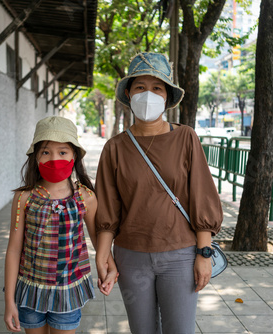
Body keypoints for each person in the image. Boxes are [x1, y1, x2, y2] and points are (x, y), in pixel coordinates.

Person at [95, 52, 223, 334]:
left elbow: (201, 195)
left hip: (180, 255)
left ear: (167, 96)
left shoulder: (186, 137)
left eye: (157, 88)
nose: (148, 94)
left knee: (180, 330)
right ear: (128, 94)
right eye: (140, 87)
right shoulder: (114, 148)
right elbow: (107, 210)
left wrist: (204, 253)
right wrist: (103, 256)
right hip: (131, 256)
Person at [4, 116, 116, 333]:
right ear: (36, 156)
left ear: (74, 155)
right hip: (30, 292)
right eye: (46, 152)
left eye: (62, 152)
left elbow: (97, 237)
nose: (54, 158)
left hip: (68, 292)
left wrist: (111, 267)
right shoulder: (24, 198)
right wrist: (9, 301)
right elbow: (14, 250)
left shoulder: (86, 197)